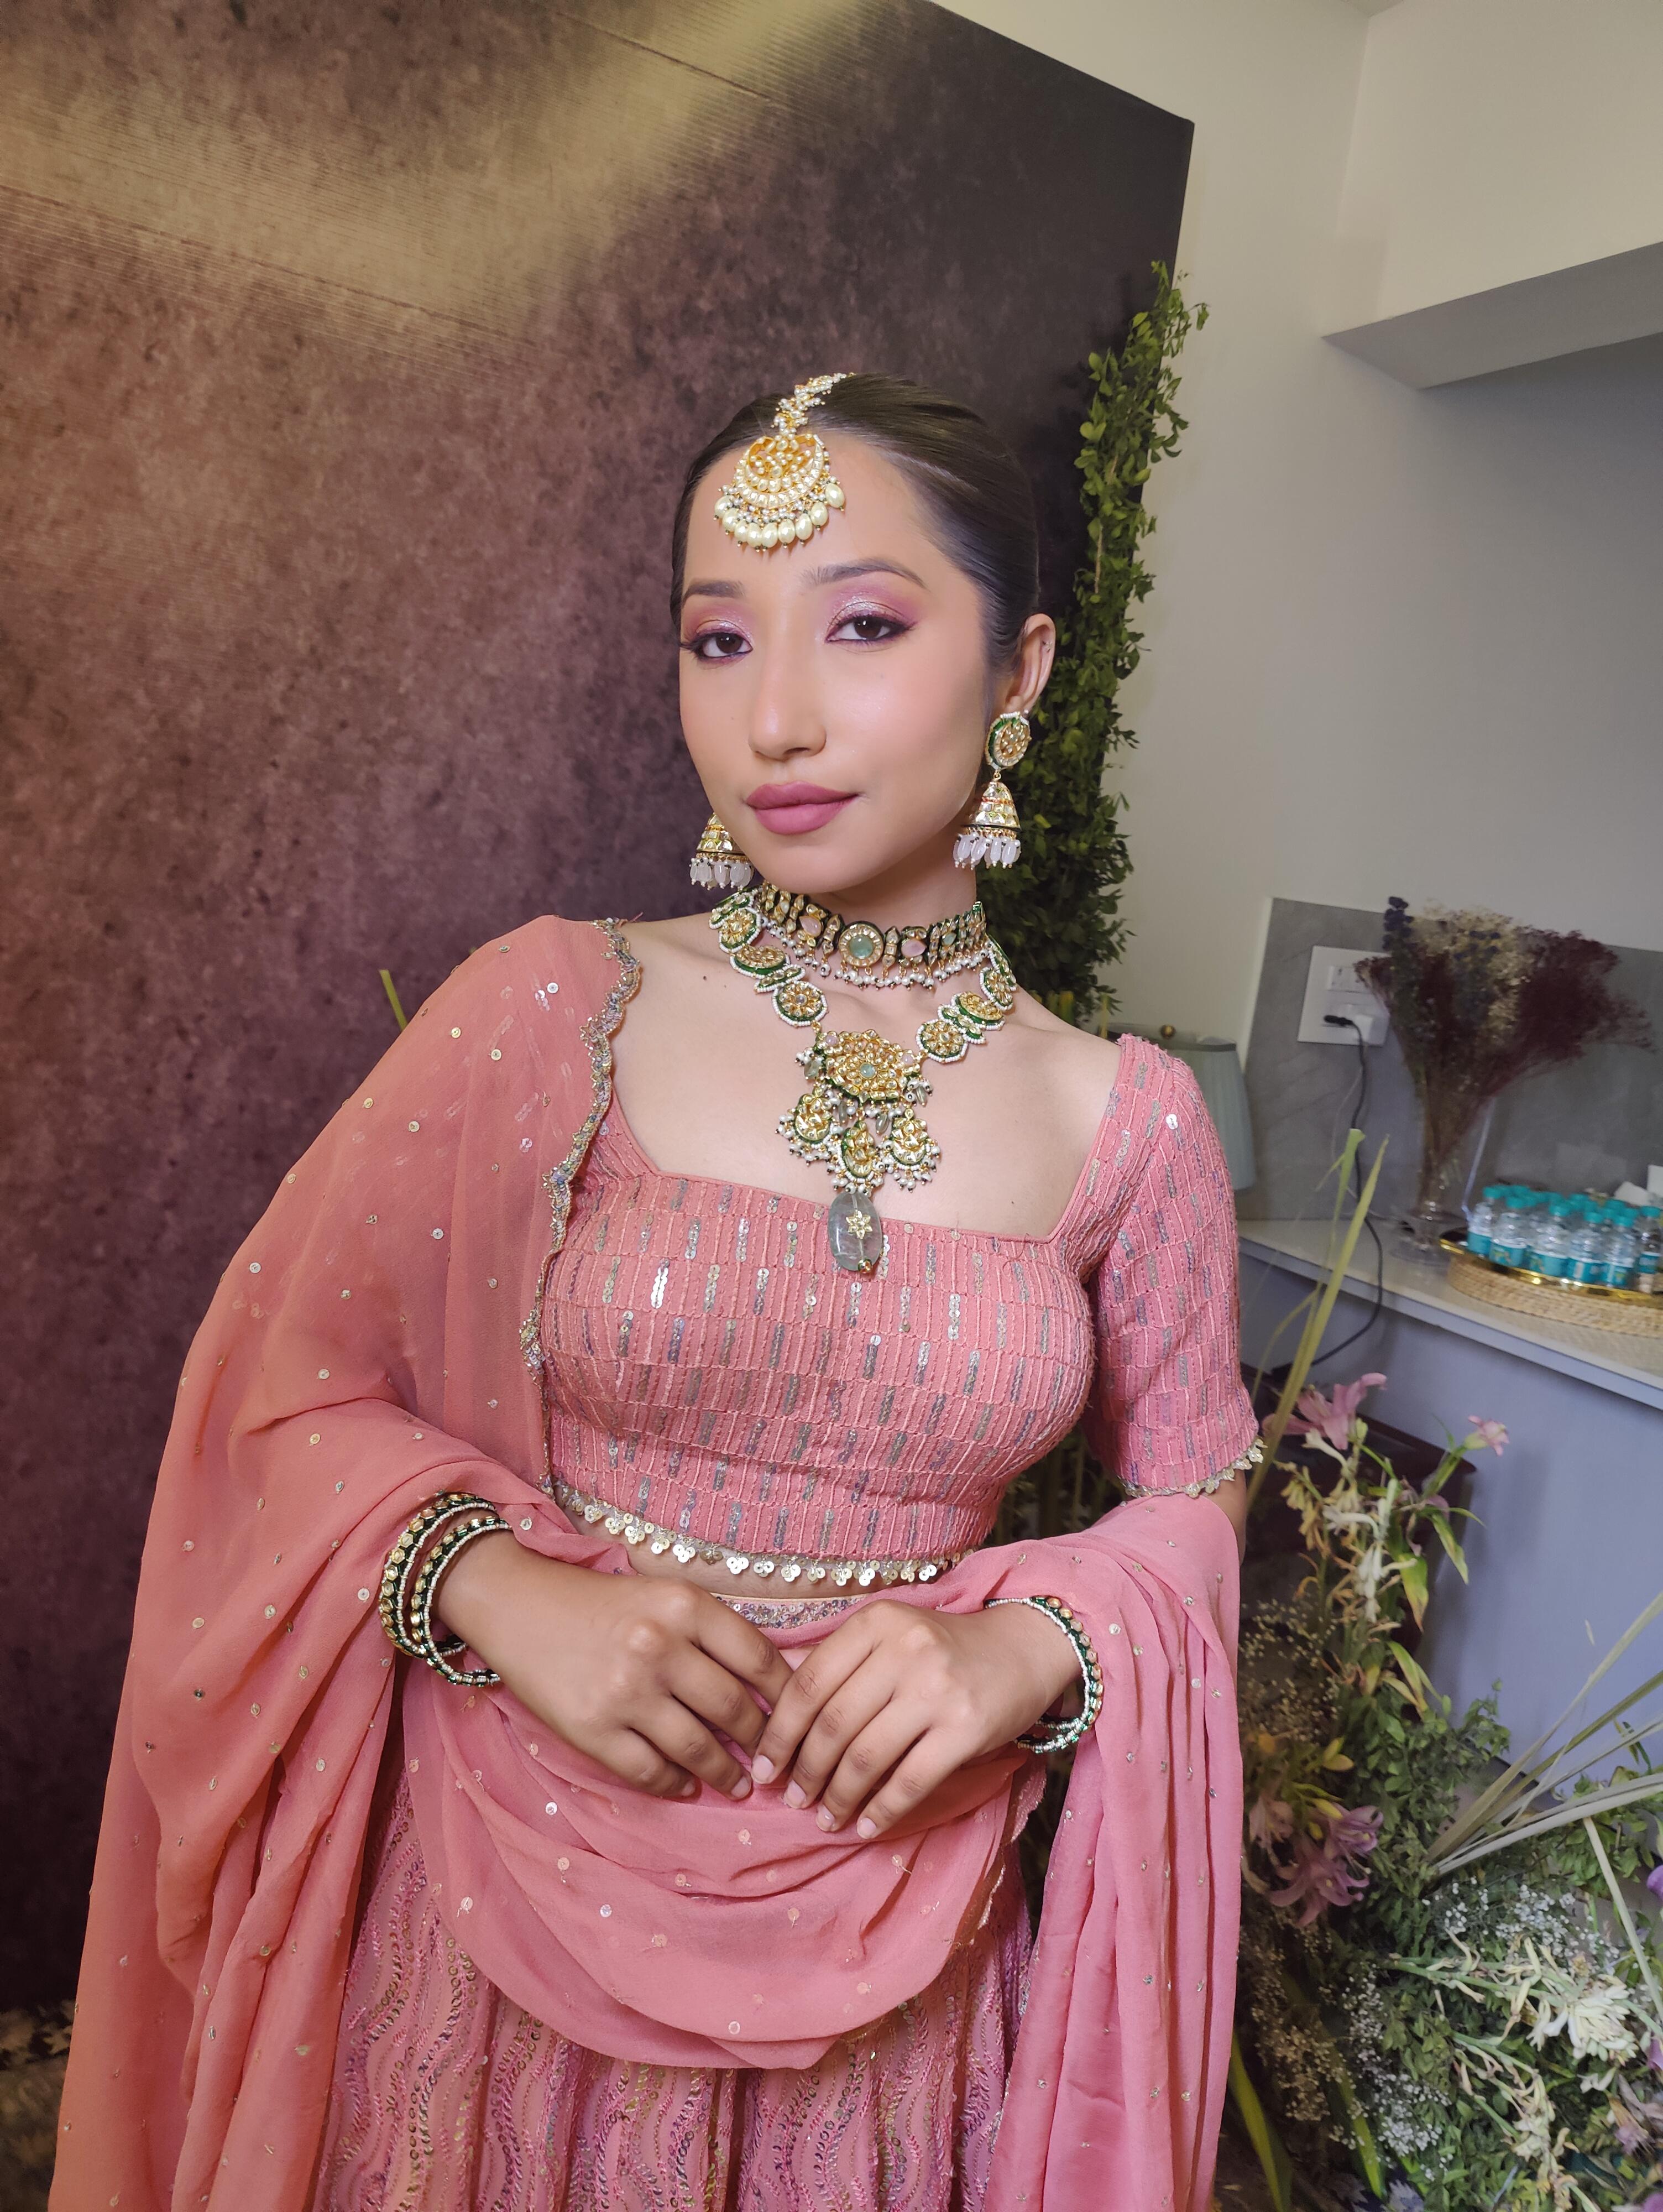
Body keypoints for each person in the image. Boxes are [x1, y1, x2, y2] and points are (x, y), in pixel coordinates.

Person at [53, 374, 1261, 2212]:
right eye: (719, 639)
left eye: (864, 625)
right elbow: (277, 1391)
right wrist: (493, 1586)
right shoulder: (549, 1011)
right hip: (500, 1909)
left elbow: (1199, 1491)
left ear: (1019, 671)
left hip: (899, 1950)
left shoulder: (1130, 1123)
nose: (774, 717)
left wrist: (1031, 1645)